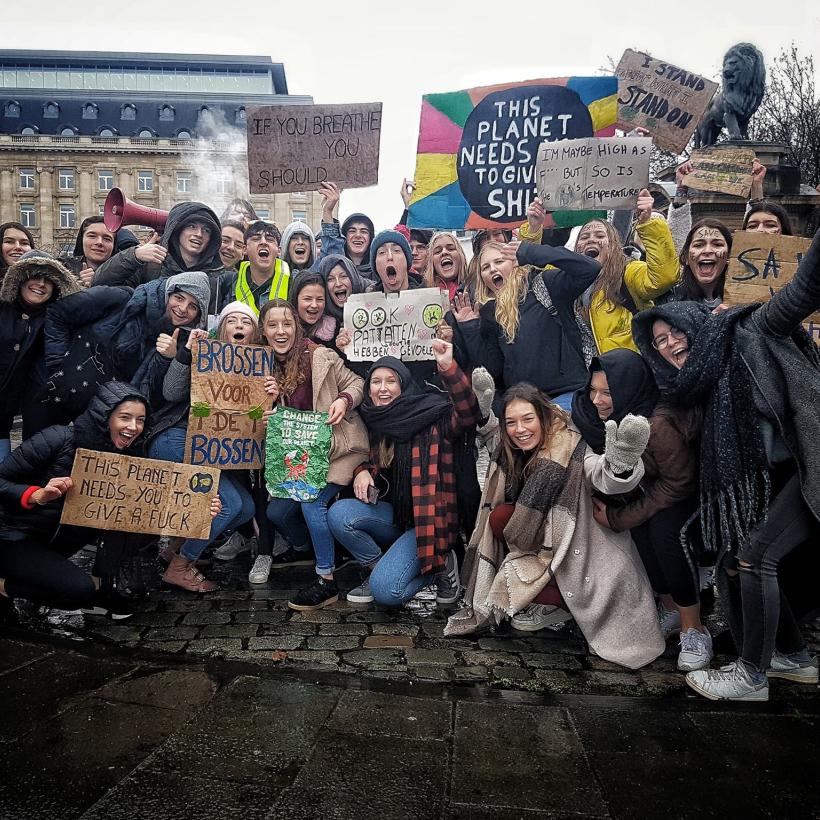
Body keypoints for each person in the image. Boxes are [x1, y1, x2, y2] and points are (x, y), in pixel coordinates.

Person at [632, 227, 820, 701]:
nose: (671, 345)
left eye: (676, 332)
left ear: (697, 324)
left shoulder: (750, 331)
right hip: (783, 477)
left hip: (810, 464)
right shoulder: (693, 390)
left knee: (754, 557)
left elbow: (804, 290)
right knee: (735, 566)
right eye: (658, 342)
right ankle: (793, 657)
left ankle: (752, 675)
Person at [446, 383, 665, 669]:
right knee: (500, 517)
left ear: (543, 417)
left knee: (507, 571)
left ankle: (564, 606)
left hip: (582, 557)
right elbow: (493, 438)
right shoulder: (512, 450)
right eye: (511, 422)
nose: (519, 429)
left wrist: (621, 463)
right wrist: (486, 414)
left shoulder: (569, 448)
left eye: (527, 419)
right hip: (546, 546)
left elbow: (602, 476)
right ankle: (552, 601)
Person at [0, 382, 219, 620]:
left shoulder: (131, 459)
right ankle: (4, 586)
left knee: (130, 521)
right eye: (125, 417)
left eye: (140, 420)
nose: (133, 427)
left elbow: (153, 508)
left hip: (56, 544)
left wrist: (198, 508)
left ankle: (102, 586)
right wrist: (35, 495)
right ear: (104, 417)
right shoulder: (58, 438)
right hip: (13, 538)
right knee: (77, 591)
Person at [572, 350, 709, 671]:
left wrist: (620, 517)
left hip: (686, 494)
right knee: (644, 533)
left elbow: (680, 482)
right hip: (652, 491)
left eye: (608, 392)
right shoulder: (595, 417)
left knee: (665, 534)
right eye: (593, 389)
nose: (596, 400)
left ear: (629, 388)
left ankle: (694, 628)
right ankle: (670, 608)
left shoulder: (657, 425)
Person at [327, 340, 479, 606]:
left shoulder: (432, 415)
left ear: (403, 385)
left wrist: (448, 367)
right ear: (369, 388)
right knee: (340, 514)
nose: (383, 388)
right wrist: (361, 470)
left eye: (390, 381)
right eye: (376, 381)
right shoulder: (373, 420)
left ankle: (441, 567)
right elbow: (364, 458)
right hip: (394, 518)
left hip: (427, 524)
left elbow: (467, 414)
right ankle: (379, 567)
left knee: (387, 592)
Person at [256, 298, 369, 598]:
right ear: (263, 331)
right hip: (299, 459)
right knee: (277, 512)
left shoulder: (321, 356)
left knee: (312, 503)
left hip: (337, 452)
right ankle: (306, 547)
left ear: (296, 326)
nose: (281, 331)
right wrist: (268, 409)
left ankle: (326, 578)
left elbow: (358, 382)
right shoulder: (259, 366)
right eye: (272, 325)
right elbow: (257, 419)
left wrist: (343, 400)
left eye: (287, 324)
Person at [145, 302, 257, 592]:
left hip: (213, 452)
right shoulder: (204, 352)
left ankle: (176, 548)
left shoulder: (260, 367)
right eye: (232, 320)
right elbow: (170, 392)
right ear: (221, 328)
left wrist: (270, 393)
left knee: (244, 508)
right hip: (178, 438)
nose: (239, 327)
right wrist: (187, 353)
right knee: (228, 504)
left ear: (254, 333)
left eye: (246, 323)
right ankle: (180, 566)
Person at [44, 272, 210, 420]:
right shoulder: (123, 299)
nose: (182, 308)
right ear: (167, 293)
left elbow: (159, 395)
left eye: (193, 306)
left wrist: (168, 358)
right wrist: (57, 365)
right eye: (179, 298)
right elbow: (58, 313)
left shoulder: (185, 344)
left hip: (101, 417)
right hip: (54, 394)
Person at [469, 239, 601, 411]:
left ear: (516, 263)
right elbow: (493, 370)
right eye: (485, 268)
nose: (492, 269)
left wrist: (531, 252)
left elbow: (590, 268)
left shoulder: (546, 285)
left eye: (499, 261)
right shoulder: (489, 314)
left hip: (565, 395)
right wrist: (469, 328)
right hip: (522, 405)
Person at [0, 251, 81, 458]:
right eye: (35, 276)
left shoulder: (56, 321)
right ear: (21, 278)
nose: (41, 284)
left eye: (49, 280)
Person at [93, 201, 222, 288]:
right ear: (178, 230)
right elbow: (99, 283)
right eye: (192, 226)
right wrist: (134, 255)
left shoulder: (220, 277)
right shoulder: (149, 266)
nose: (199, 234)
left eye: (206, 230)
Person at [213, 221, 291, 315]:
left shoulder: (294, 283)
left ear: (279, 251)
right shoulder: (226, 283)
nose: (263, 242)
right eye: (256, 239)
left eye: (270, 239)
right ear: (244, 249)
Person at [666, 219, 733, 308]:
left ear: (729, 256)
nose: (707, 251)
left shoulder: (743, 299)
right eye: (698, 245)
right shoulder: (669, 298)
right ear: (686, 257)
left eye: (717, 244)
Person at [315, 181, 375, 279]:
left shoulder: (379, 272)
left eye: (364, 231)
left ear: (371, 238)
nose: (358, 235)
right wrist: (327, 211)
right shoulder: (332, 265)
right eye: (352, 231)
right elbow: (332, 248)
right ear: (344, 237)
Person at [317, 254, 368, 343]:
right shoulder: (319, 317)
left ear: (353, 278)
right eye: (330, 279)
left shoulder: (375, 295)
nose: (338, 284)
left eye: (343, 276)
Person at [61, 216, 116, 287]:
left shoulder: (127, 275)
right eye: (92, 236)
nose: (99, 242)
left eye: (107, 239)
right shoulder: (62, 268)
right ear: (81, 240)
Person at [423, 232, 469, 301]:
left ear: (461, 256)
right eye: (438, 251)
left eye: (451, 249)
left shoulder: (475, 289)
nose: (444, 252)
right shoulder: (422, 293)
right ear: (432, 262)